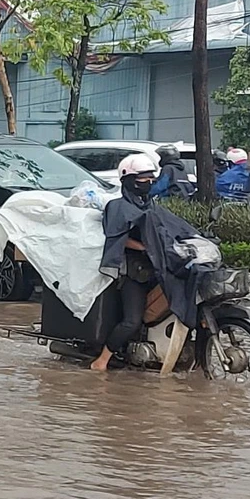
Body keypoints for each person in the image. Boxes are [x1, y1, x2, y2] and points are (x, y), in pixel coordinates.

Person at [91, 154, 159, 372]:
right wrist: (143, 247)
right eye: (142, 178)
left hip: (155, 266)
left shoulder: (151, 205)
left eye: (150, 178)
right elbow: (117, 236)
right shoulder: (117, 207)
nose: (147, 182)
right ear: (129, 180)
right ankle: (102, 361)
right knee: (132, 321)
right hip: (132, 271)